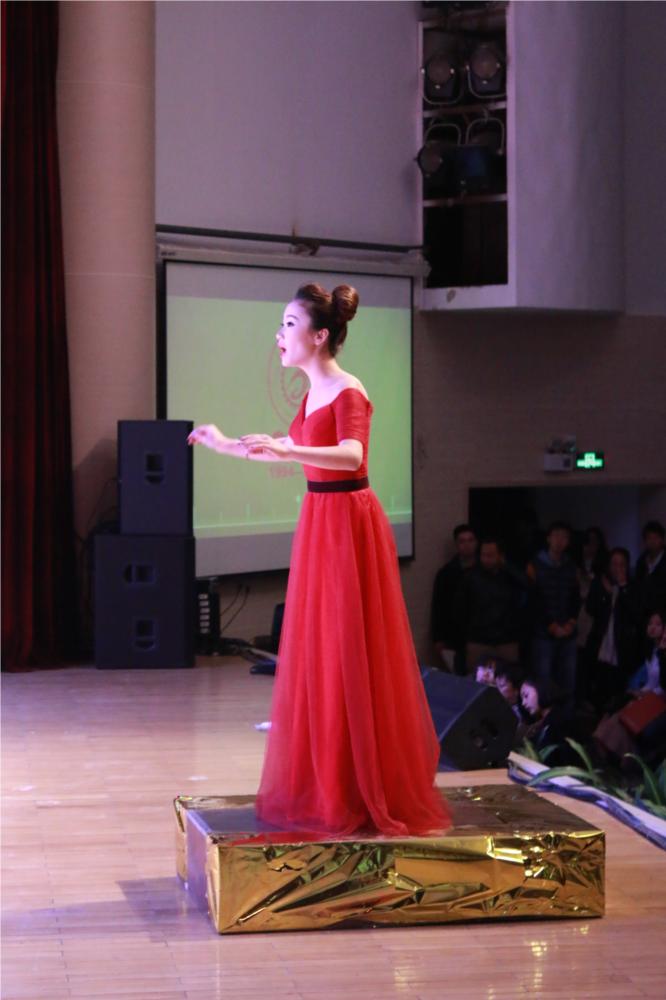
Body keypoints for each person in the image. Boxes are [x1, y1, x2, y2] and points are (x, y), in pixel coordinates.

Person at [188, 282, 450, 837]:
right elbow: (289, 454)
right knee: (323, 652)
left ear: (320, 335)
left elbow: (352, 455)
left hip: (348, 524)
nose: (279, 335)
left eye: (289, 324)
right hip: (321, 520)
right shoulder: (311, 395)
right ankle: (332, 782)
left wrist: (289, 447)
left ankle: (361, 786)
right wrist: (223, 442)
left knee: (350, 649)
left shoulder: (348, 390)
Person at [528, 521, 581, 707]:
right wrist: (551, 625)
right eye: (556, 535)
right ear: (548, 538)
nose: (560, 541)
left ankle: (566, 718)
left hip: (568, 632)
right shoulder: (535, 565)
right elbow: (534, 600)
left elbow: (576, 597)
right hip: (543, 634)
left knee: (568, 681)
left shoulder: (571, 566)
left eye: (564, 537)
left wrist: (571, 623)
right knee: (543, 681)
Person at [458, 537, 528, 672]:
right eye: (483, 555)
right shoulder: (471, 577)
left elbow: (528, 585)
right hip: (478, 640)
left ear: (500, 556)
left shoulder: (509, 576)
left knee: (508, 679)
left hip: (506, 640)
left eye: (490, 555)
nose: (486, 559)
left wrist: (506, 566)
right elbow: (461, 608)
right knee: (475, 679)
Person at [584, 547, 640, 713]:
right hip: (600, 642)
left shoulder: (633, 587)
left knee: (617, 688)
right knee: (598, 685)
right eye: (614, 564)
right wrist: (606, 595)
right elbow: (590, 608)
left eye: (622, 564)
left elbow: (636, 614)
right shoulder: (600, 583)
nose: (618, 568)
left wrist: (622, 588)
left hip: (622, 646)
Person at [431, 523, 478, 673]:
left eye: (470, 540)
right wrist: (438, 638)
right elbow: (438, 606)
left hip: (480, 635)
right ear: (456, 545)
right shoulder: (446, 573)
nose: (467, 545)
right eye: (462, 541)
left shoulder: (483, 571)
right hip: (455, 636)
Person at [635, 520, 666, 625]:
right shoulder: (641, 561)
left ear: (662, 539)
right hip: (643, 615)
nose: (652, 541)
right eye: (649, 538)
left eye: (656, 538)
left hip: (662, 616)